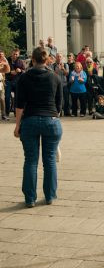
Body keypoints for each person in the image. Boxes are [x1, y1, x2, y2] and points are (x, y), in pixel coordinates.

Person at [14, 48, 63, 208]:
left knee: (30, 160)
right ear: (47, 60)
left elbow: (19, 105)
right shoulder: (55, 77)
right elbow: (59, 105)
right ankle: (49, 196)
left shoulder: (24, 78)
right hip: (51, 120)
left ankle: (30, 199)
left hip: (30, 120)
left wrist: (17, 125)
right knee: (49, 160)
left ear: (32, 60)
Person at [5, 48, 25, 118]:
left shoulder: (20, 62)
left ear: (18, 54)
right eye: (14, 54)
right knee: (7, 97)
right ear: (11, 53)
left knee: (17, 98)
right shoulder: (7, 60)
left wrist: (21, 70)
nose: (15, 55)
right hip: (8, 81)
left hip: (17, 82)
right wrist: (10, 72)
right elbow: (3, 70)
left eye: (16, 54)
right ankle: (6, 113)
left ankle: (16, 113)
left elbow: (24, 71)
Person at [0, 50, 11, 120]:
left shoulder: (3, 62)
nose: (1, 56)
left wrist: (6, 64)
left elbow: (7, 70)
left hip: (0, 83)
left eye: (2, 55)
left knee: (2, 98)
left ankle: (3, 114)